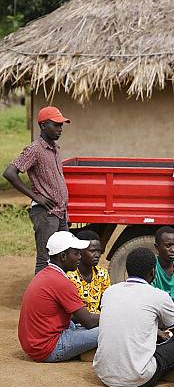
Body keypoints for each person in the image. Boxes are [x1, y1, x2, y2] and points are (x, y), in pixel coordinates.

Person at [93, 247, 174, 387]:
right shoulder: (158, 296)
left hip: (104, 375)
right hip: (139, 377)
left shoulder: (110, 292)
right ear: (153, 272)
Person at [3, 106, 71, 274]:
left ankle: (56, 295)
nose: (60, 129)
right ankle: (40, 299)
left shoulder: (54, 148)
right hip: (46, 213)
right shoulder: (35, 149)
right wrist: (36, 197)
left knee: (64, 256)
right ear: (43, 125)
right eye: (56, 125)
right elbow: (10, 173)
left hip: (60, 212)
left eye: (61, 125)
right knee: (45, 259)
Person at [18, 231, 99, 362]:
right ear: (63, 256)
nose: (80, 257)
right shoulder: (61, 282)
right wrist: (114, 316)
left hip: (34, 345)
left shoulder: (46, 274)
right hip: (47, 348)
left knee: (91, 326)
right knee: (109, 330)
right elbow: (88, 321)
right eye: (76, 253)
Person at [66, 230, 111, 314]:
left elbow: (106, 304)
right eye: (92, 251)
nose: (97, 255)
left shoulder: (102, 274)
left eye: (99, 251)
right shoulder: (69, 276)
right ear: (80, 252)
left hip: (97, 321)